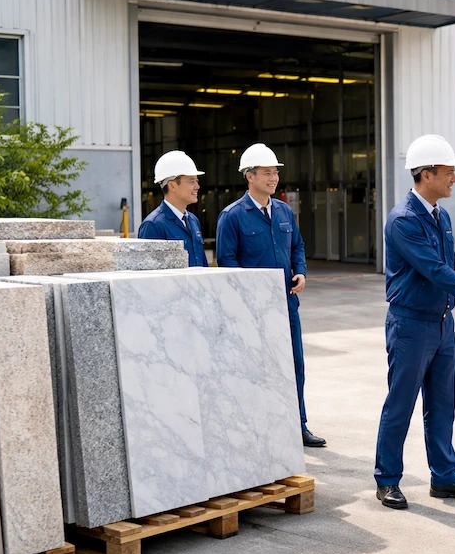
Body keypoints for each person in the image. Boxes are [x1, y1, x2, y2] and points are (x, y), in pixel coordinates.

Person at [374, 134, 455, 510]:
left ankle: (444, 476)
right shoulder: (403, 220)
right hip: (411, 324)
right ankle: (387, 478)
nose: (454, 179)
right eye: (448, 172)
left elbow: (453, 267)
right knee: (401, 402)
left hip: (441, 322)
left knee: (442, 402)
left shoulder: (440, 215)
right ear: (427, 174)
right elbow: (433, 270)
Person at [215, 143, 325, 448]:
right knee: (258, 369)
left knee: (295, 366)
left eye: (275, 172)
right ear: (249, 176)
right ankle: (261, 428)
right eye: (266, 172)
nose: (273, 177)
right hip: (254, 312)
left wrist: (300, 270)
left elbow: (297, 247)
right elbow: (227, 262)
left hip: (287, 305)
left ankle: (298, 425)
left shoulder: (284, 211)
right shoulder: (233, 216)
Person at [138, 150, 208, 267]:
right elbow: (149, 274)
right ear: (172, 185)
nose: (197, 187)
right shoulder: (153, 225)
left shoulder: (193, 220)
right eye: (192, 181)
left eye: (197, 181)